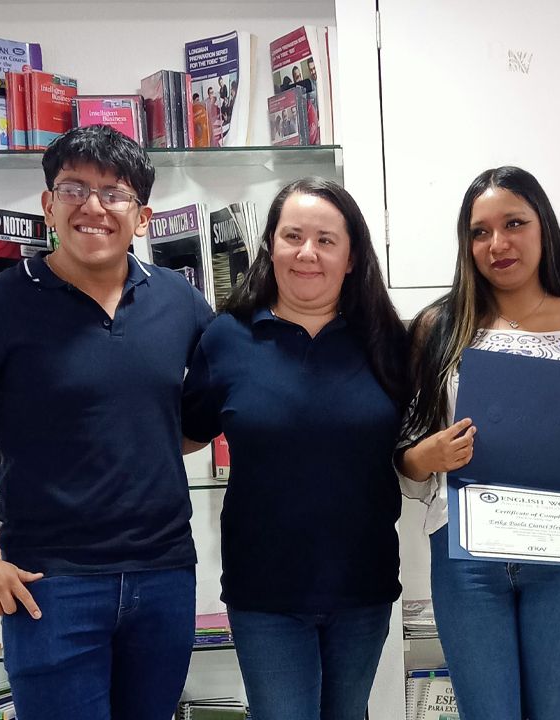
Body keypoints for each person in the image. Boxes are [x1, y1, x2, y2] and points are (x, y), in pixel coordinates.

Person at [0, 125, 214, 719]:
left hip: (165, 575)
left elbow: (197, 414)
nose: (93, 207)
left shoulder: (181, 301)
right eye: (74, 189)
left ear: (142, 217)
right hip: (50, 584)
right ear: (48, 204)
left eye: (114, 193)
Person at [398, 166, 560, 720]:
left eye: (513, 224)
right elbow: (406, 453)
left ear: (542, 227)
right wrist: (428, 455)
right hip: (467, 554)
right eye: (479, 232)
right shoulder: (437, 327)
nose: (497, 244)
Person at [181, 177, 409, 720]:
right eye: (293, 236)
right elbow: (181, 435)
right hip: (265, 591)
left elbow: (417, 446)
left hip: (363, 586)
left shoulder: (389, 342)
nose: (308, 253)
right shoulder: (226, 337)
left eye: (326, 240)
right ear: (270, 247)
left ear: (352, 258)